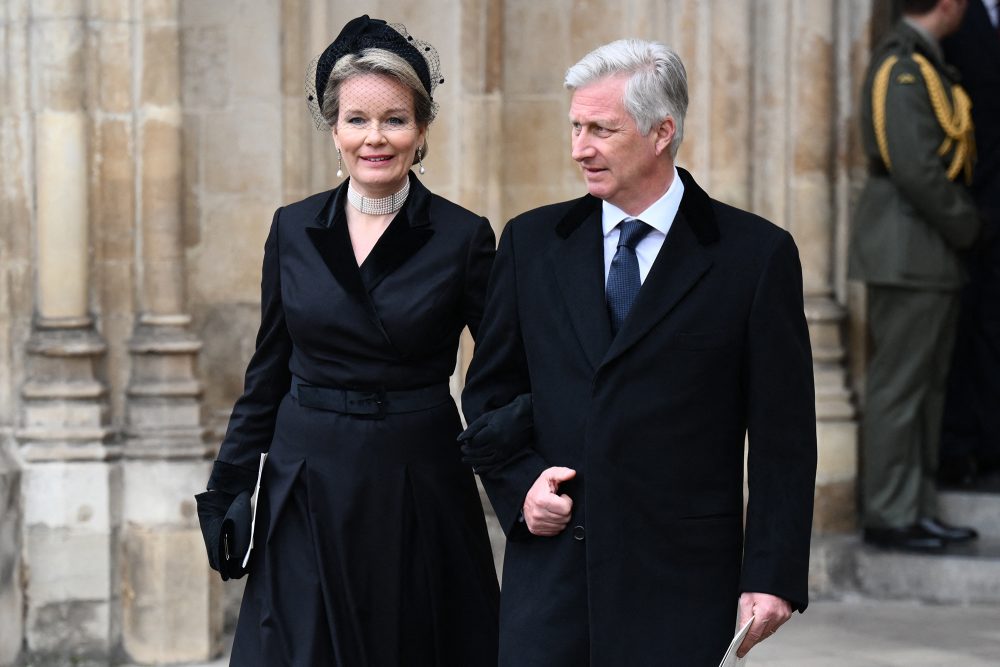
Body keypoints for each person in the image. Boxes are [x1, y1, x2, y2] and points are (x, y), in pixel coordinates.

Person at [461, 38, 817, 666]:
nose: (580, 148)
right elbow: (489, 394)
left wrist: (772, 572)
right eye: (575, 127)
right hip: (551, 585)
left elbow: (783, 434)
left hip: (679, 585)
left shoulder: (755, 256)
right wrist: (522, 489)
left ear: (662, 132)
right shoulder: (531, 243)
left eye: (601, 129)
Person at [198, 15, 499, 666]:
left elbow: (502, 375)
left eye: (395, 119)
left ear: (421, 130)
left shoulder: (464, 236)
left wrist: (524, 474)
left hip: (416, 486)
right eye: (357, 119)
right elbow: (268, 369)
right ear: (333, 129)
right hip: (306, 483)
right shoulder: (293, 228)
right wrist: (228, 486)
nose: (375, 138)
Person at [849, 0, 980, 552]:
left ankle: (915, 506)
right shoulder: (902, 65)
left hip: (923, 252)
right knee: (900, 386)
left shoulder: (923, 60)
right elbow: (916, 167)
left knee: (924, 388)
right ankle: (889, 512)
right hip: (909, 249)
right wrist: (969, 225)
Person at [938, 0, 1000, 488]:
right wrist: (963, 218)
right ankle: (961, 450)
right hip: (968, 208)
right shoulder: (953, 19)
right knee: (965, 327)